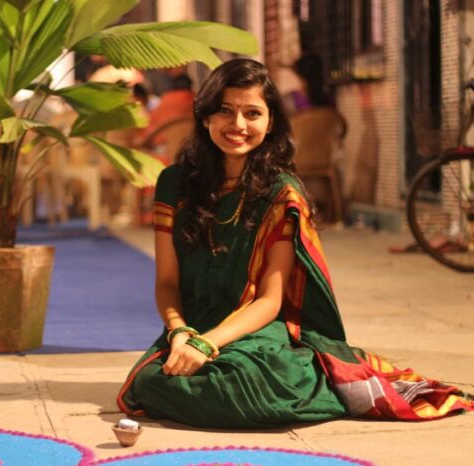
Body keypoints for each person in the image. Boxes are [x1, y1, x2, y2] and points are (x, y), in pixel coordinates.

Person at [117, 58, 472, 428]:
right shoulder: (174, 184)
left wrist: (208, 345)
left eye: (252, 113)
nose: (238, 125)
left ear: (270, 123)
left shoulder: (281, 192)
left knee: (240, 384)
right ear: (206, 117)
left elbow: (270, 302)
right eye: (225, 111)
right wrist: (180, 333)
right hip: (189, 327)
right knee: (149, 382)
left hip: (252, 330)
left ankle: (317, 379)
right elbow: (168, 282)